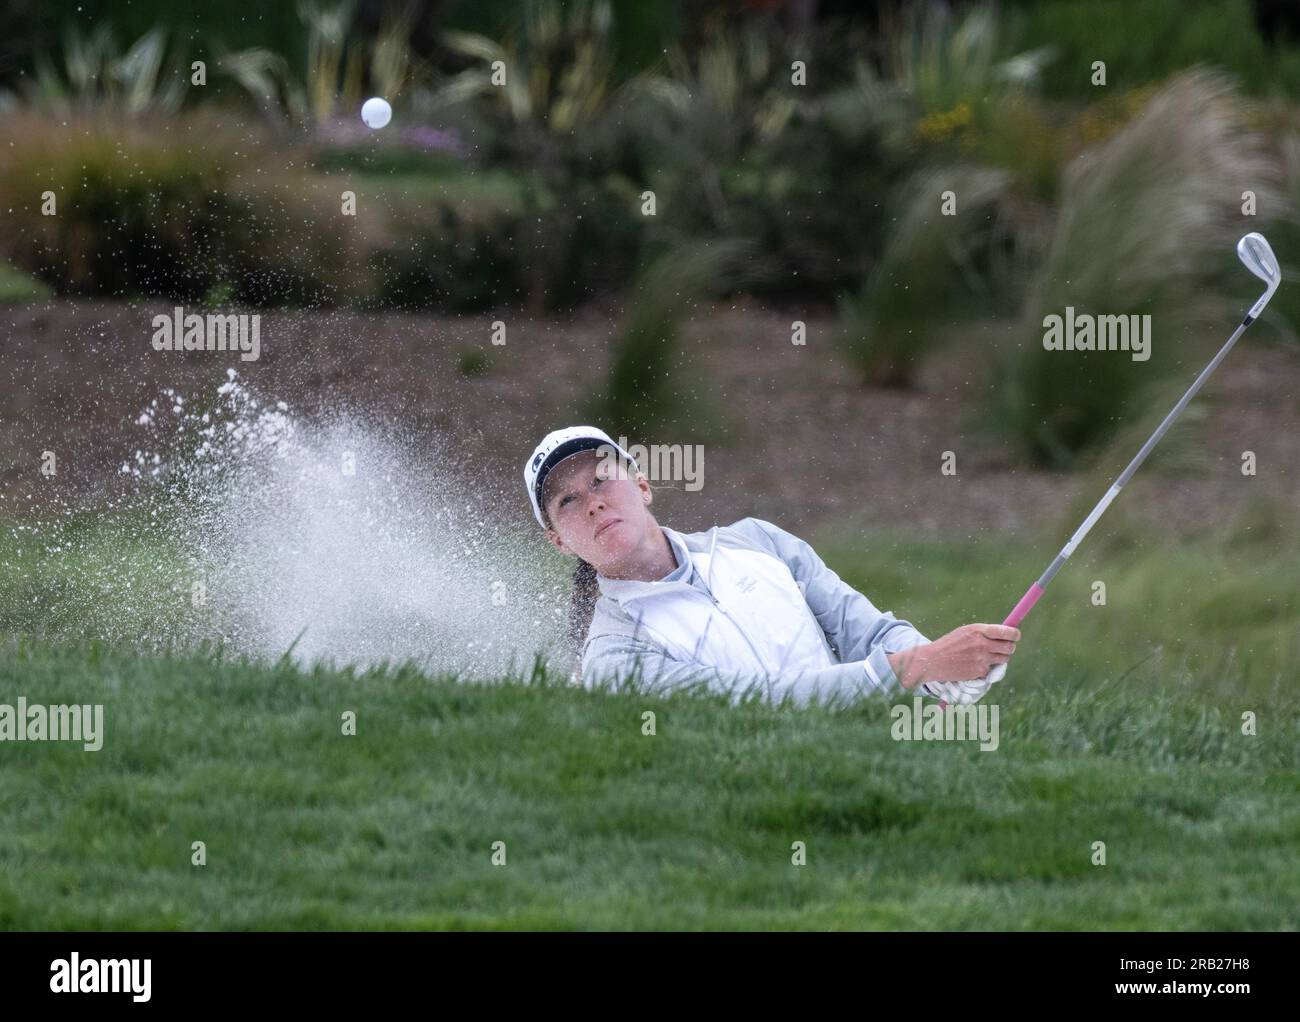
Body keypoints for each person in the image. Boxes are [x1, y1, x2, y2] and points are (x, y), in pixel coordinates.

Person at [523, 425, 1019, 707]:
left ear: (644, 486)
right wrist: (917, 667)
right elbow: (756, 705)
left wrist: (940, 669)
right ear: (558, 542)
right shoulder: (613, 656)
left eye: (603, 479)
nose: (592, 504)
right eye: (566, 501)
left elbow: (869, 632)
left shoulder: (758, 541)